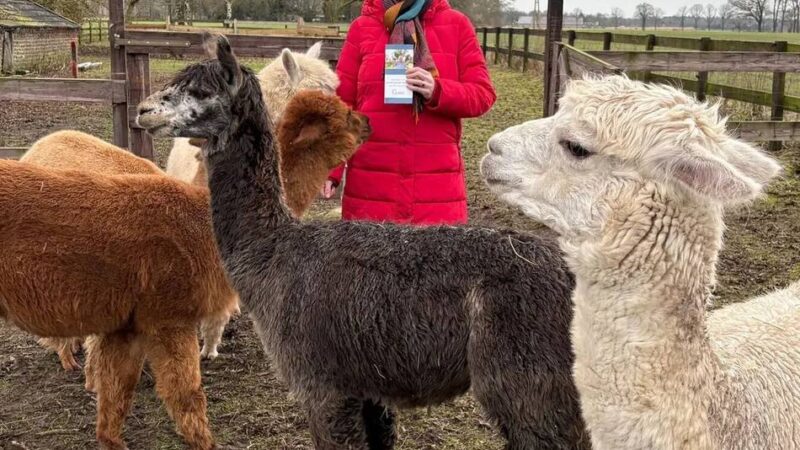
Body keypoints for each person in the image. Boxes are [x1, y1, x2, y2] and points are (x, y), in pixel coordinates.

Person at [323, 0, 496, 225]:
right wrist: (331, 168)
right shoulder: (362, 28)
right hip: (371, 191)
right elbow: (342, 105)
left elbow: (483, 94)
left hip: (435, 195)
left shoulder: (457, 25)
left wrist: (438, 90)